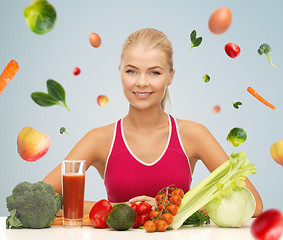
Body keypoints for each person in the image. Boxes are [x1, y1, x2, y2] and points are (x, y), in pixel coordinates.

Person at [43, 28, 263, 217]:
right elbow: (42, 198)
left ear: (170, 76)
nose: (141, 82)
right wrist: (119, 209)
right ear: (120, 73)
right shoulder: (99, 139)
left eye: (154, 72)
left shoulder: (194, 134)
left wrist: (171, 209)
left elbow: (253, 203)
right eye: (131, 71)